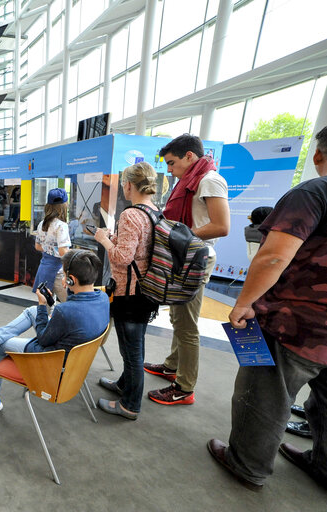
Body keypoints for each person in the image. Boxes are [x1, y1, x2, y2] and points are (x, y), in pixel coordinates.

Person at [207, 126, 327, 492]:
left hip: (299, 325)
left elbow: (274, 255)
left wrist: (243, 304)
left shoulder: (314, 192)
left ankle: (247, 464)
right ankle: (322, 464)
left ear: (317, 155)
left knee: (266, 395)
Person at [0, 249, 110, 412]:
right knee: (32, 311)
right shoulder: (102, 297)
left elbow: (43, 339)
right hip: (76, 363)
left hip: (49, 361)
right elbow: (74, 318)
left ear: (72, 280)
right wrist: (48, 308)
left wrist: (42, 305)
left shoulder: (65, 312)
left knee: (2, 345)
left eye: (64, 275)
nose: (62, 278)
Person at [143, 134, 230, 405]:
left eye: (172, 163)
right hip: (184, 257)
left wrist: (181, 236)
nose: (169, 169)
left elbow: (221, 226)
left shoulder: (209, 180)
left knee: (187, 326)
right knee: (178, 319)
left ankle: (184, 387)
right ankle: (172, 366)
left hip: (194, 259)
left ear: (189, 156)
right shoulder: (191, 181)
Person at [94, 162, 160, 420]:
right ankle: (124, 384)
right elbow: (140, 251)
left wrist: (103, 239)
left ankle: (130, 405)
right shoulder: (155, 212)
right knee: (134, 346)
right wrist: (115, 238)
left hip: (129, 292)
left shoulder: (131, 214)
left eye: (123, 182)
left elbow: (122, 257)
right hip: (146, 291)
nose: (122, 187)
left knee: (132, 352)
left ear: (130, 184)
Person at [33, 188, 71, 302]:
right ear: (64, 205)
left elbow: (38, 246)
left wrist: (49, 248)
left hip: (44, 269)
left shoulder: (42, 224)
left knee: (45, 307)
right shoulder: (61, 226)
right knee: (70, 306)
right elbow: (63, 252)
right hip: (58, 272)